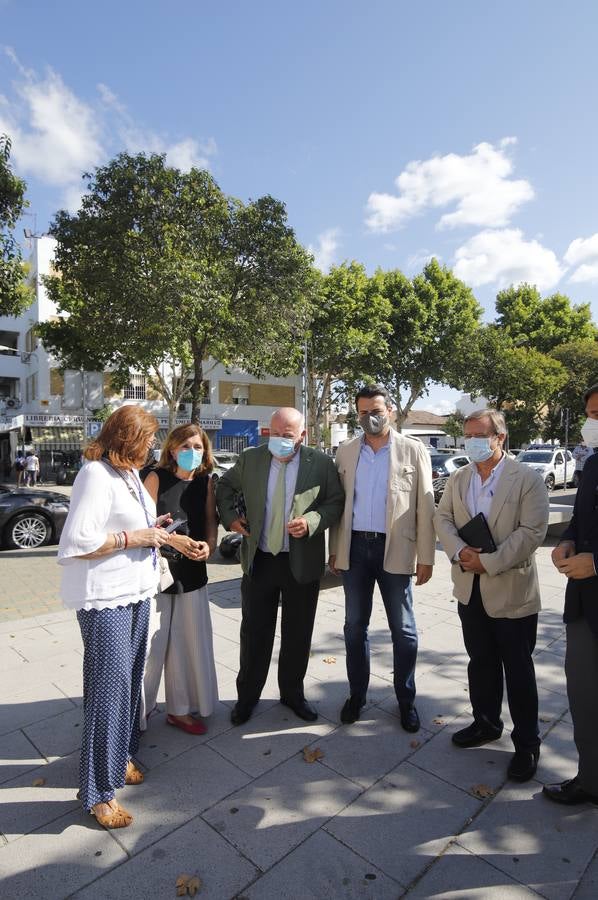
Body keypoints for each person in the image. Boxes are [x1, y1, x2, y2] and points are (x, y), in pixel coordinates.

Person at [57, 406, 173, 829]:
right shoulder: (94, 474)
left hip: (137, 591)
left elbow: (132, 527)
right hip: (104, 600)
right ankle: (97, 793)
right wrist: (133, 537)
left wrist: (160, 530)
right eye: (147, 439)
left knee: (127, 685)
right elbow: (75, 543)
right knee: (108, 691)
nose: (152, 447)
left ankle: (120, 756)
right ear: (127, 437)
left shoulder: (129, 477)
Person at [434, 409, 549, 782]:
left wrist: (491, 562)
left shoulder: (527, 479)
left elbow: (532, 533)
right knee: (480, 661)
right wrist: (459, 553)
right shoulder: (460, 477)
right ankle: (485, 723)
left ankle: (527, 744)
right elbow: (443, 519)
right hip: (470, 588)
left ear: (500, 437)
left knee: (518, 669)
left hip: (511, 591)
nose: (472, 442)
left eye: (479, 435)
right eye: (467, 435)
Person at [216, 407, 344, 725]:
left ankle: (292, 694)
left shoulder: (321, 463)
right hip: (260, 560)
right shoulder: (251, 459)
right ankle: (247, 698)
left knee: (297, 635)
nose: (279, 441)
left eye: (287, 436)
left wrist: (312, 521)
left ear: (302, 436)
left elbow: (335, 502)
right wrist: (230, 517)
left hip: (301, 563)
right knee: (254, 634)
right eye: (274, 434)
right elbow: (224, 487)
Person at [328, 384, 435, 732]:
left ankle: (406, 700)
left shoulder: (413, 450)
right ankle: (357, 695)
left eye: (375, 410)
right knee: (354, 627)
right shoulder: (345, 451)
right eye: (363, 412)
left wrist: (427, 557)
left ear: (390, 410)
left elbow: (425, 505)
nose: (369, 418)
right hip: (355, 549)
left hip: (396, 549)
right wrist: (334, 550)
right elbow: (337, 505)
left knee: (404, 631)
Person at [141, 424, 218, 736]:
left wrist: (209, 546)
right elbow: (142, 524)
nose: (192, 452)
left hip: (193, 572)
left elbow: (211, 521)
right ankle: (139, 714)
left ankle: (181, 710)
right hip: (155, 572)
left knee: (189, 645)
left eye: (197, 446)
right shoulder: (155, 477)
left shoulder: (207, 481)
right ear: (171, 449)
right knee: (151, 647)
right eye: (185, 446)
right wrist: (173, 542)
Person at [544, 385, 598, 805]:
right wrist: (566, 541)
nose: (591, 423)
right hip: (584, 607)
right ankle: (590, 780)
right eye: (590, 415)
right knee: (584, 698)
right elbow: (582, 522)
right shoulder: (593, 465)